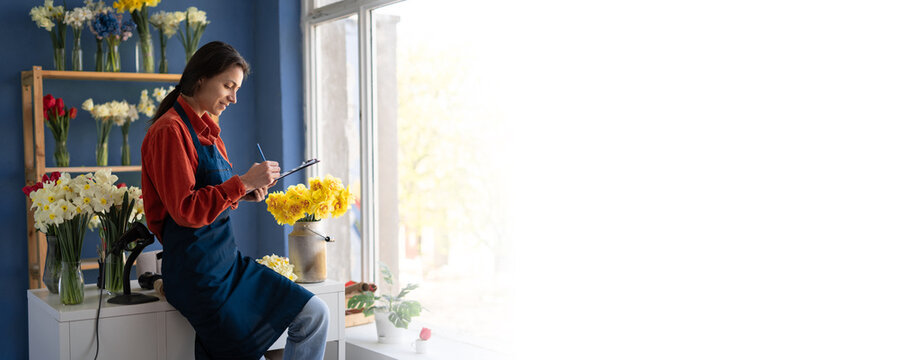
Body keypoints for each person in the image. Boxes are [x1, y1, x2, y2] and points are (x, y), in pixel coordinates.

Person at [141, 41, 328, 360]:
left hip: (228, 264)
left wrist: (244, 192)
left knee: (315, 314)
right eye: (228, 86)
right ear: (201, 78)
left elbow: (210, 196)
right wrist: (242, 183)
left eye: (237, 89)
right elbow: (185, 210)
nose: (234, 98)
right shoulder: (169, 131)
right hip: (197, 277)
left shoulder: (210, 131)